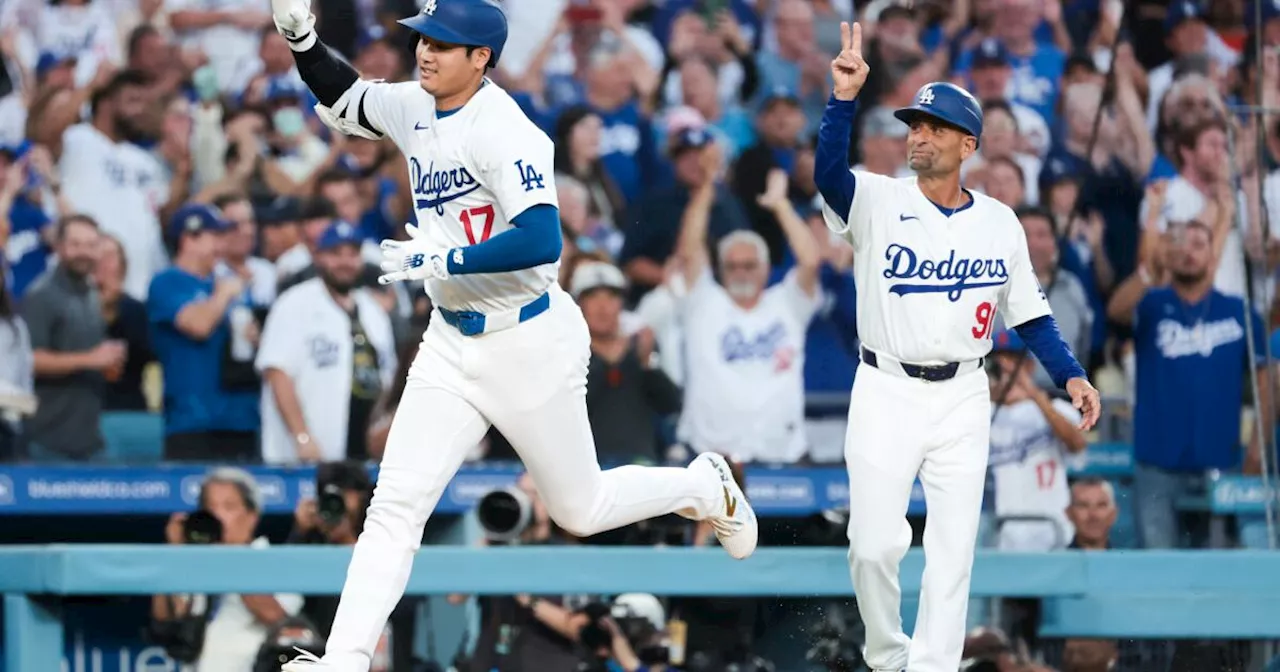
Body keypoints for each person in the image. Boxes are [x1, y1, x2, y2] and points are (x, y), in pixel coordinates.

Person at [268, 0, 756, 668]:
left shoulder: (505, 128)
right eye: (423, 39)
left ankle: (701, 487)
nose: (425, 51)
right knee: (395, 506)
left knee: (579, 510)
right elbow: (347, 97)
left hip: (527, 338)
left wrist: (444, 259)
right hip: (450, 340)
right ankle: (344, 658)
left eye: (443, 44)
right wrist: (301, 39)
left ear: (482, 58)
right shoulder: (416, 104)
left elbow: (540, 236)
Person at [813, 23, 1100, 672]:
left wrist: (1072, 376)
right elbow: (829, 177)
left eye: (934, 127)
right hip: (885, 387)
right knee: (873, 545)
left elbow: (1030, 317)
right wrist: (842, 101)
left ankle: (932, 667)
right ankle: (887, 655)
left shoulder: (999, 222)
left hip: (965, 394)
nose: (918, 135)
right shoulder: (878, 199)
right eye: (914, 125)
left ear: (967, 144)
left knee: (952, 551)